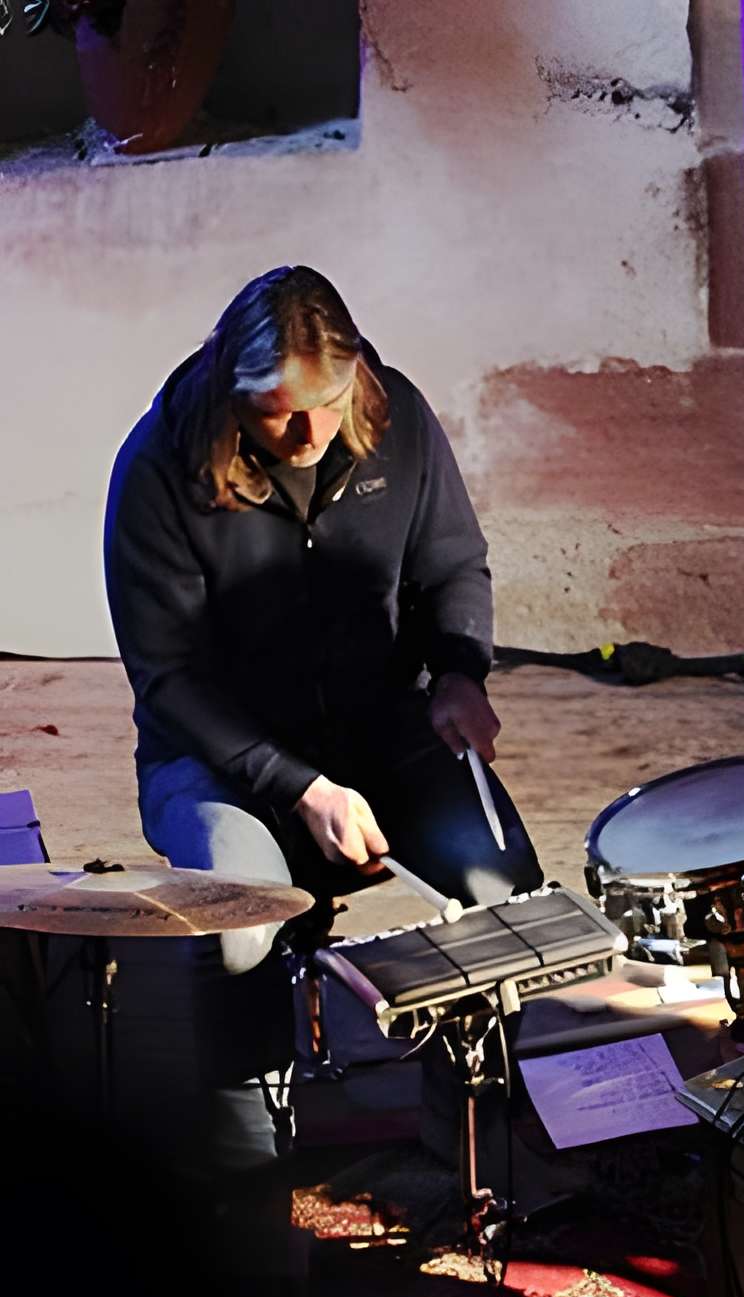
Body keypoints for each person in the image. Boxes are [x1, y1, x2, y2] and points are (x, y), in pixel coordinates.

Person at [103, 265, 541, 1170]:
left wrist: (461, 672)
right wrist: (299, 788)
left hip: (380, 728)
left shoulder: (401, 418)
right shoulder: (155, 468)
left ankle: (470, 1139)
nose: (307, 434)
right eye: (276, 411)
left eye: (328, 402)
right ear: (233, 392)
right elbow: (170, 680)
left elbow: (453, 565)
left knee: (503, 894)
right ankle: (248, 1171)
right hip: (217, 758)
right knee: (240, 930)